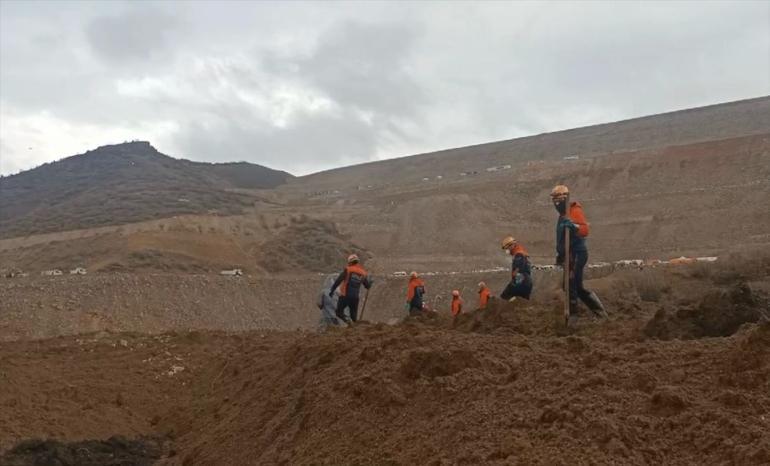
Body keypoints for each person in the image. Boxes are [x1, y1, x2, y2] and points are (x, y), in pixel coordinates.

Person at [550, 185, 606, 326]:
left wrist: (573, 226)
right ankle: (599, 312)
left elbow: (585, 229)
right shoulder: (562, 216)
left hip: (577, 254)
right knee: (573, 285)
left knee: (571, 284)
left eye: (559, 199)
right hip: (569, 255)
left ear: (565, 198)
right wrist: (560, 255)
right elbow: (562, 240)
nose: (556, 203)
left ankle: (574, 316)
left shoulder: (574, 211)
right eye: (554, 199)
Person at [330, 254, 372, 323]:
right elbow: (367, 286)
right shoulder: (363, 273)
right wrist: (370, 283)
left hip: (345, 295)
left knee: (339, 312)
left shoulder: (348, 269)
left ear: (350, 262)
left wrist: (332, 290)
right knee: (354, 317)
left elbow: (338, 280)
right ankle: (355, 328)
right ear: (357, 261)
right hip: (355, 297)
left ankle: (347, 321)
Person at [500, 236, 533, 301]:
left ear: (512, 245)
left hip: (522, 281)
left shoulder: (518, 255)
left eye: (507, 248)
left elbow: (519, 271)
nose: (507, 250)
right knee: (524, 302)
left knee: (505, 296)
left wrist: (514, 284)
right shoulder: (523, 253)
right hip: (528, 282)